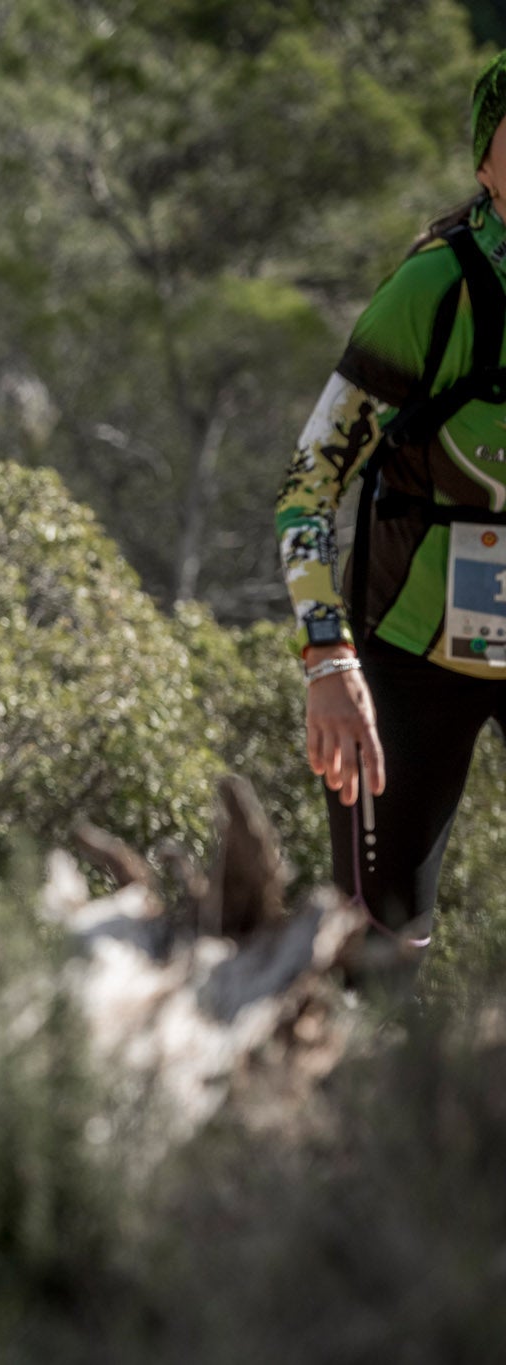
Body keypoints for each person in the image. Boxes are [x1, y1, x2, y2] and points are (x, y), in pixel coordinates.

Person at [274, 52, 506, 954]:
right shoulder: (433, 290)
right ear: (485, 160)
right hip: (409, 654)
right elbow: (307, 488)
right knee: (374, 941)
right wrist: (329, 661)